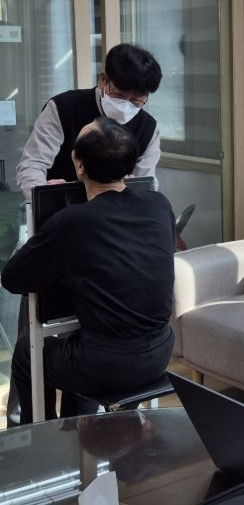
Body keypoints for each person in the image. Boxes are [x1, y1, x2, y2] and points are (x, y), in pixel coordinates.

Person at [1, 117, 176, 424]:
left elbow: (12, 278)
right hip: (161, 351)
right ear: (129, 166)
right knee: (83, 342)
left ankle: (44, 439)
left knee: (29, 353)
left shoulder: (72, 221)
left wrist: (50, 215)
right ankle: (78, 432)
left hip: (107, 365)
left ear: (79, 166)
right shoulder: (159, 204)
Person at [16, 43, 162, 201]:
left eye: (136, 100)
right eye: (119, 96)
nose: (125, 106)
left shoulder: (148, 129)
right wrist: (43, 196)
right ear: (103, 80)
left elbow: (145, 184)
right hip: (60, 207)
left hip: (116, 211)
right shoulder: (63, 108)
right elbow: (32, 164)